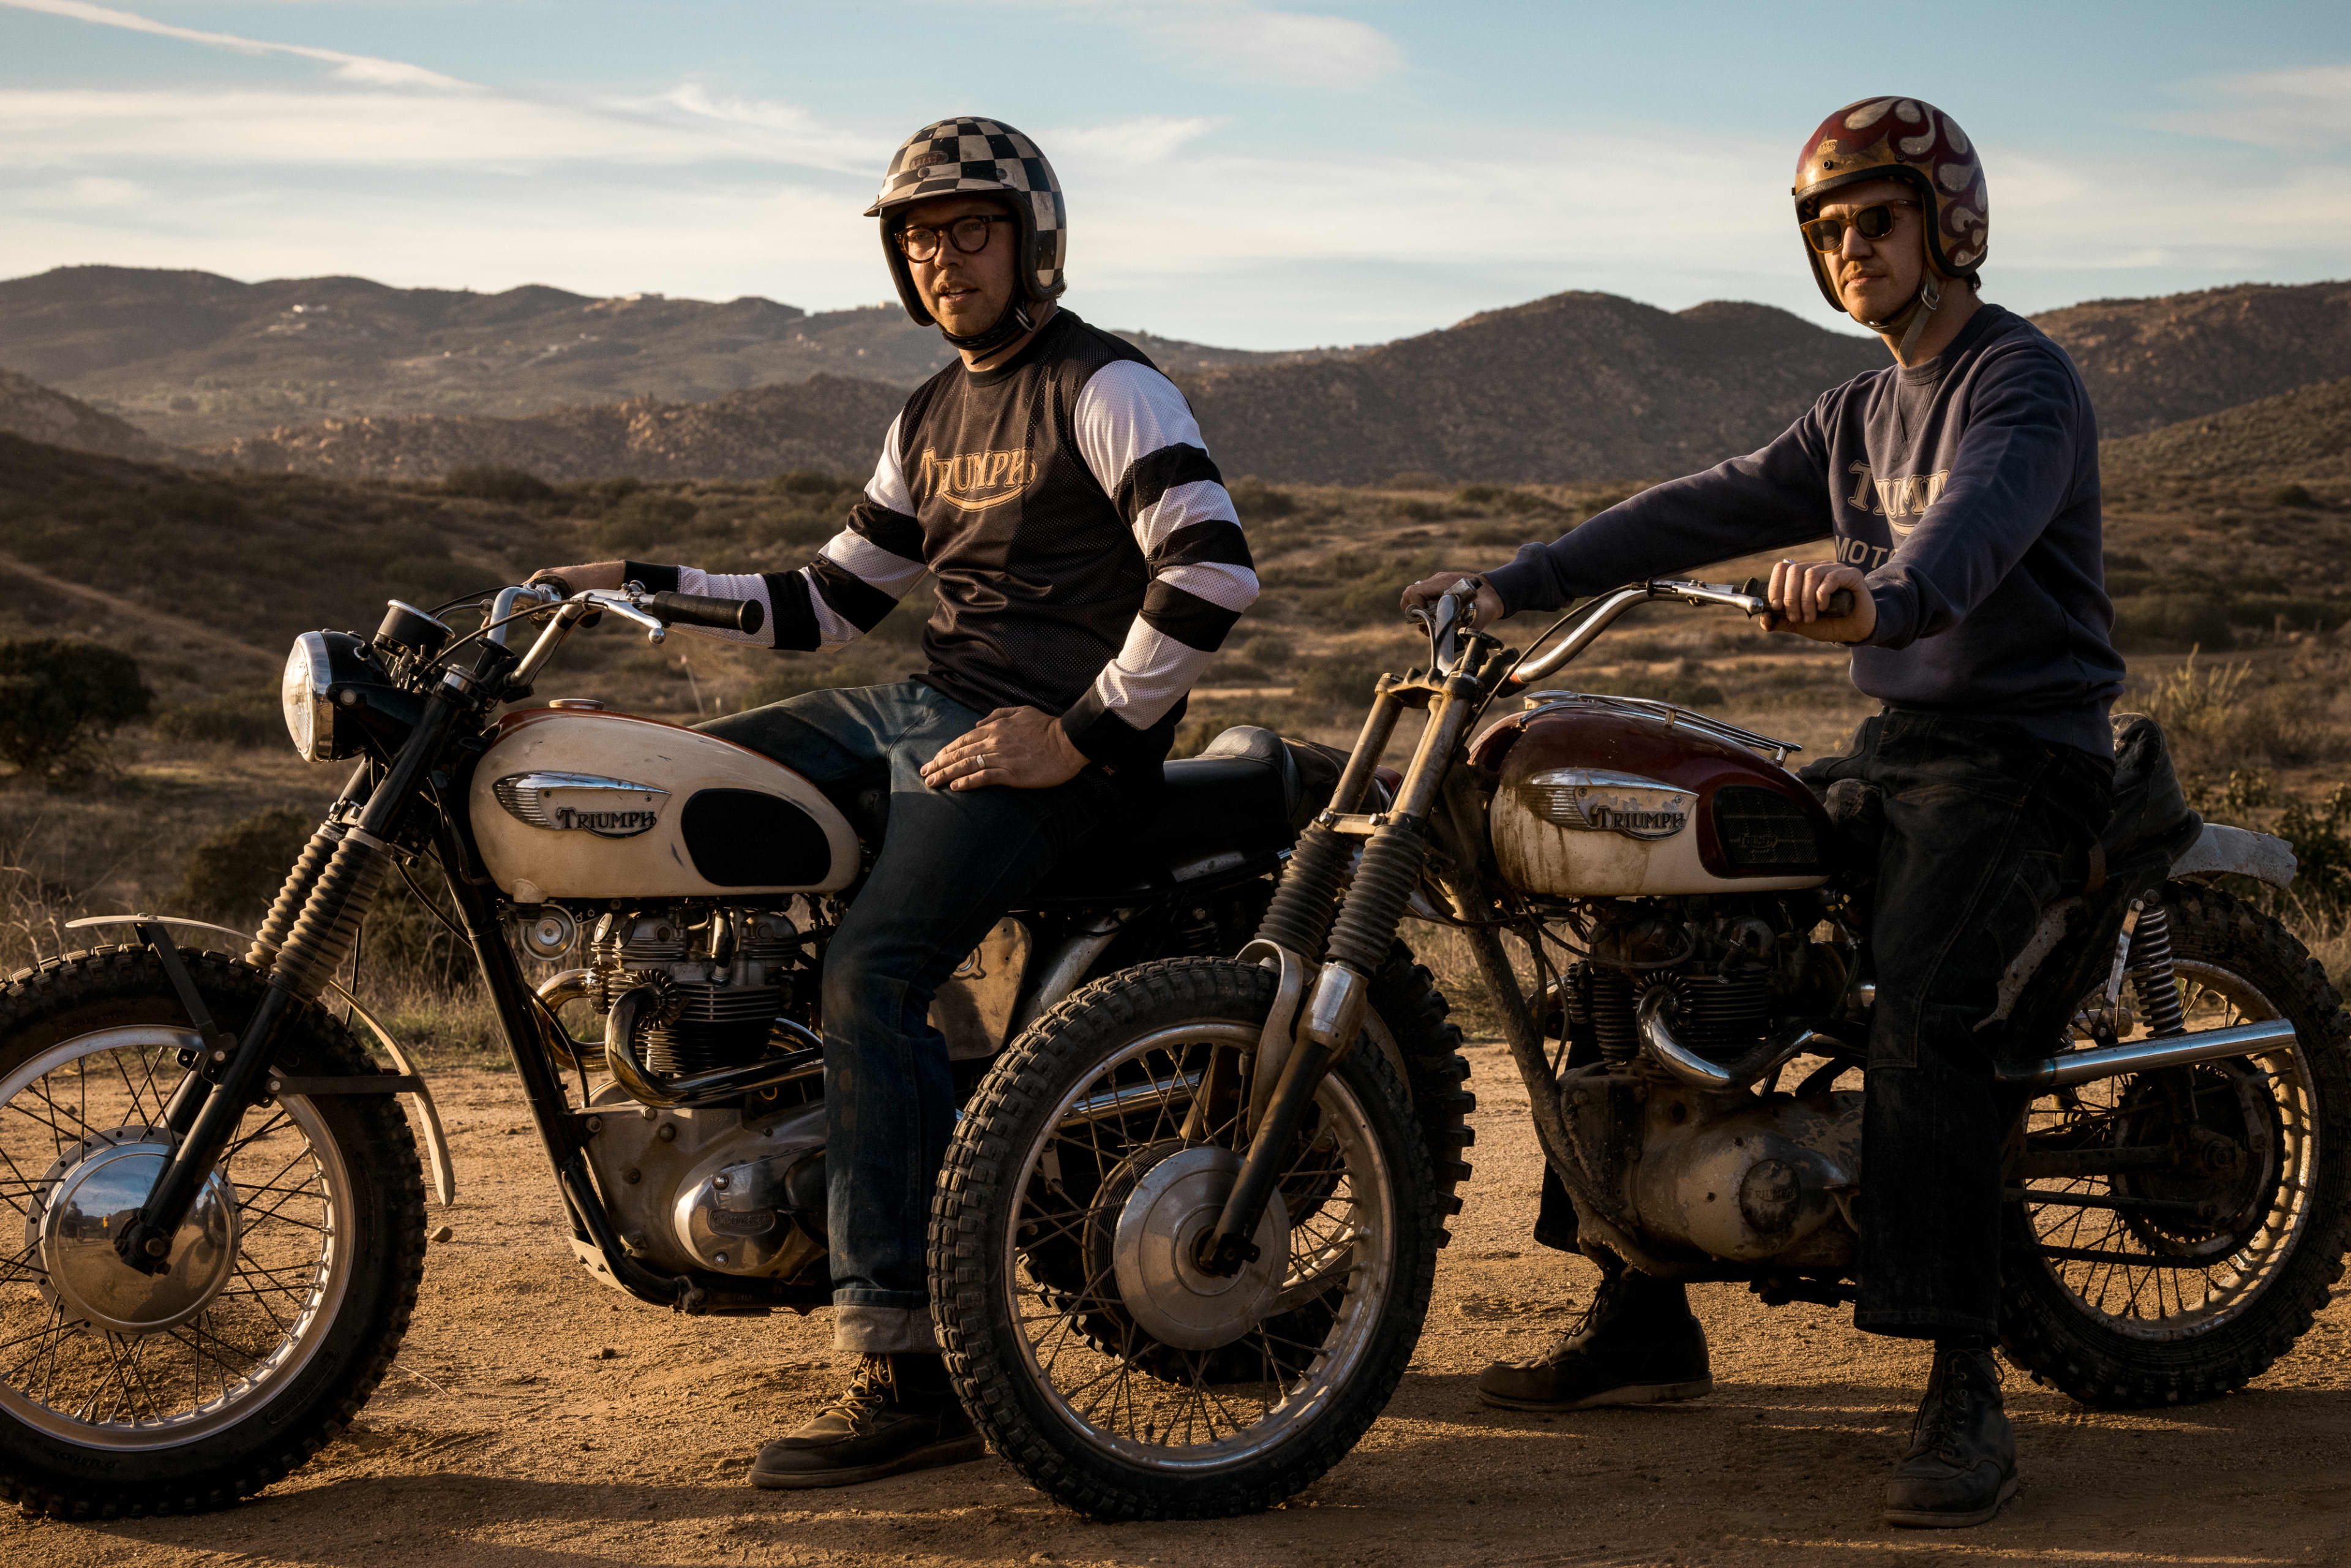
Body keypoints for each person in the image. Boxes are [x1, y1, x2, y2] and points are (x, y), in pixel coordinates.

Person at [1402, 96, 2121, 1529]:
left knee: (1926, 1007)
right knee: (1632, 939)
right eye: (1833, 229)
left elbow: (1977, 522)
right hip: (1904, 741)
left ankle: (1966, 1379)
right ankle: (1645, 1308)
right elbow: (1705, 504)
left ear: (1947, 226)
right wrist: (1515, 581)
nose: (1855, 246)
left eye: (1881, 220)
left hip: (2024, 752)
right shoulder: (1854, 411)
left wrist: (1887, 592)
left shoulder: (2018, 382)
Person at [528, 116, 1257, 1490]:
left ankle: (911, 1362)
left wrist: (1087, 734)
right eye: (919, 241)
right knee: (684, 788)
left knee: (878, 971)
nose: (943, 262)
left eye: (969, 234)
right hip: (925, 705)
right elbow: (827, 602)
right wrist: (626, 579)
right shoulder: (928, 415)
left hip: (1042, 747)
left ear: (1032, 244)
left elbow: (1213, 570)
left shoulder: (1105, 386)